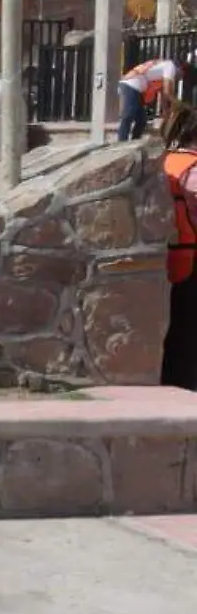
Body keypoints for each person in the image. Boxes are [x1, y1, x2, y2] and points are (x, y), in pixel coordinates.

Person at [160, 101, 197, 390]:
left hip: (172, 254)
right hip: (192, 257)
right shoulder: (194, 168)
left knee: (177, 329)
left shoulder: (168, 160)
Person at [120, 58, 181, 141]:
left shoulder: (161, 72)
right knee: (128, 115)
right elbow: (167, 92)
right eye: (181, 75)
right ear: (180, 69)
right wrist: (178, 104)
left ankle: (134, 141)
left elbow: (164, 97)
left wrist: (166, 114)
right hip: (131, 84)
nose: (180, 78)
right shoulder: (171, 66)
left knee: (141, 119)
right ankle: (122, 141)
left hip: (137, 89)